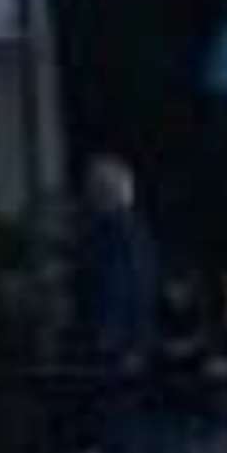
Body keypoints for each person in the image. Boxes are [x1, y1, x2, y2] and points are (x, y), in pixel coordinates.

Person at [72, 157, 160, 377]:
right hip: (121, 340)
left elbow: (126, 284)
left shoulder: (115, 232)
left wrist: (123, 340)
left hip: (116, 343)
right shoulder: (126, 230)